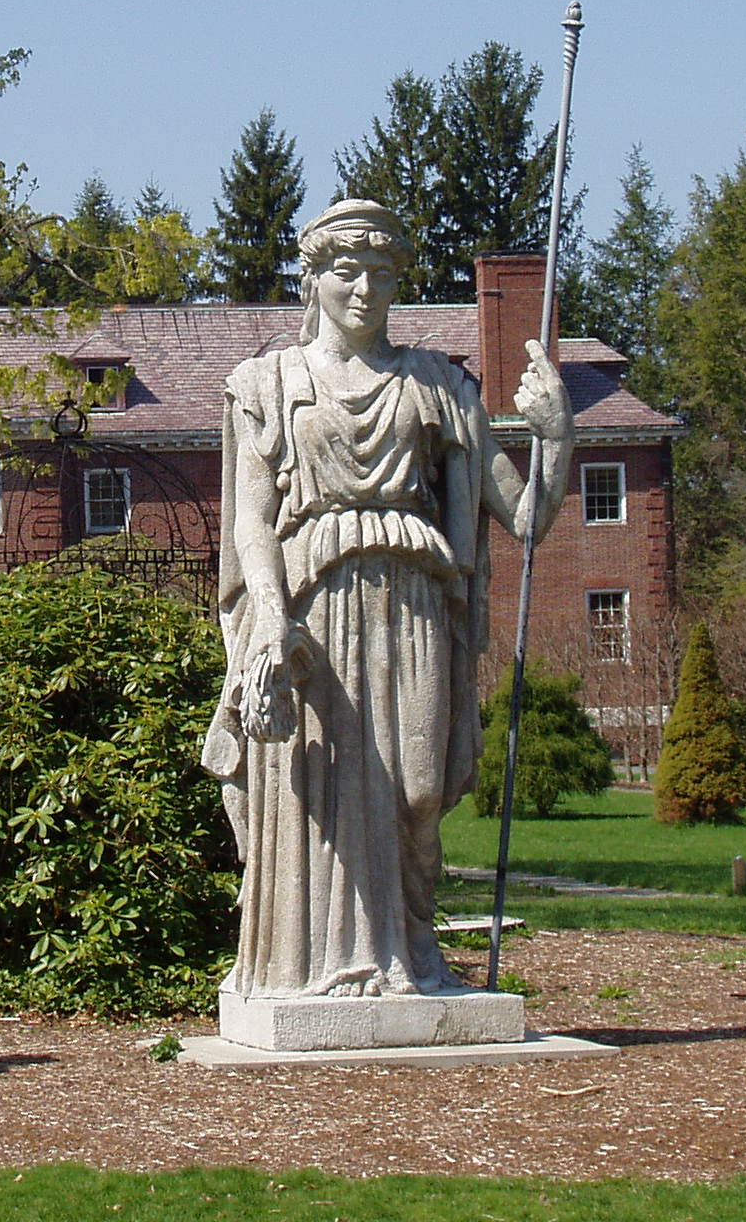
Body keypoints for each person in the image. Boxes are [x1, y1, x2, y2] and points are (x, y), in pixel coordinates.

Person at [202, 200, 572, 1002]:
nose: (365, 288)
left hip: (412, 605)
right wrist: (268, 614)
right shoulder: (266, 382)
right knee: (323, 795)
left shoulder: (438, 385)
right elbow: (249, 525)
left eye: (381, 272)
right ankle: (324, 967)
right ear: (314, 279)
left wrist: (558, 433)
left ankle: (412, 952)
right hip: (313, 607)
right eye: (347, 271)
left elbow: (529, 516)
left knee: (418, 788)